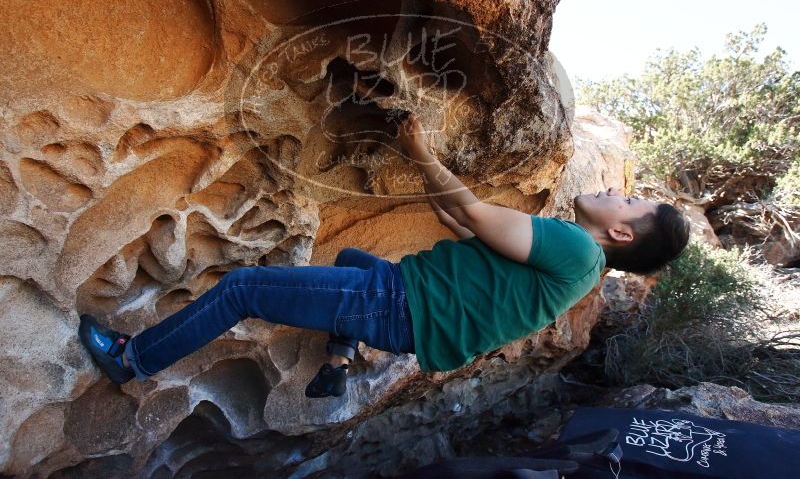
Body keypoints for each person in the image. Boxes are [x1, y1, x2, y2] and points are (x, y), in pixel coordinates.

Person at [79, 114, 690, 397]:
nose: (615, 190)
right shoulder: (580, 270)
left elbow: (473, 211)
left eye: (628, 200)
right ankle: (339, 364)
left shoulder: (577, 245)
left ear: (625, 235)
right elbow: (456, 218)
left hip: (397, 303)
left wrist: (420, 150)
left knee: (243, 288)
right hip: (408, 312)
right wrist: (416, 162)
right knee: (351, 253)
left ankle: (131, 359)